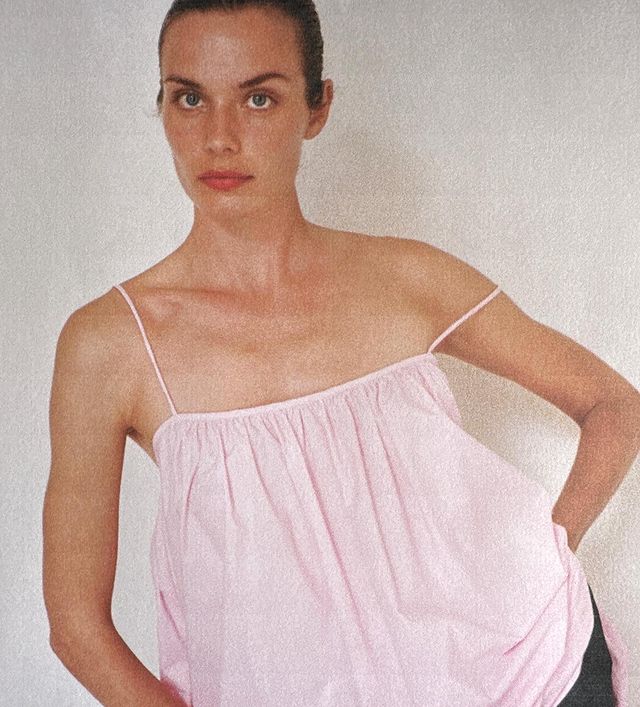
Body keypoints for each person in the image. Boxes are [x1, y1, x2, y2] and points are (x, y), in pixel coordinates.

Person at [42, 1, 639, 705]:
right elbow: (77, 627)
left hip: (533, 679)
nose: (219, 138)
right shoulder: (111, 343)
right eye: (190, 98)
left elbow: (614, 405)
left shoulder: (408, 277)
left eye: (259, 98)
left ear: (317, 107)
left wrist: (542, 552)